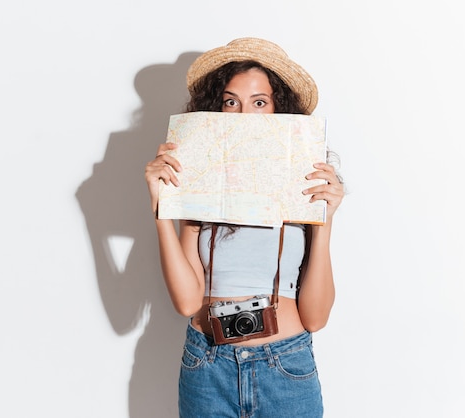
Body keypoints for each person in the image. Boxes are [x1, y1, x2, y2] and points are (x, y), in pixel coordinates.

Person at [144, 37, 345, 418]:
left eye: (259, 102)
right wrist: (161, 208)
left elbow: (316, 318)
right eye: (231, 101)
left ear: (277, 110)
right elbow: (187, 302)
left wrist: (325, 221)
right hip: (207, 366)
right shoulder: (201, 185)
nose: (242, 114)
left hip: (285, 368)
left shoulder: (303, 183)